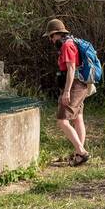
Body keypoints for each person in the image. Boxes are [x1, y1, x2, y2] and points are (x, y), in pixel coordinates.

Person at [44, 18, 99, 165]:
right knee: (78, 118)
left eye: (51, 36)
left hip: (74, 86)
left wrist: (67, 91)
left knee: (62, 121)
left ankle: (82, 152)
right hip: (81, 85)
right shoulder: (72, 42)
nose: (51, 40)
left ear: (56, 34)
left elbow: (71, 69)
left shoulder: (67, 46)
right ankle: (78, 155)